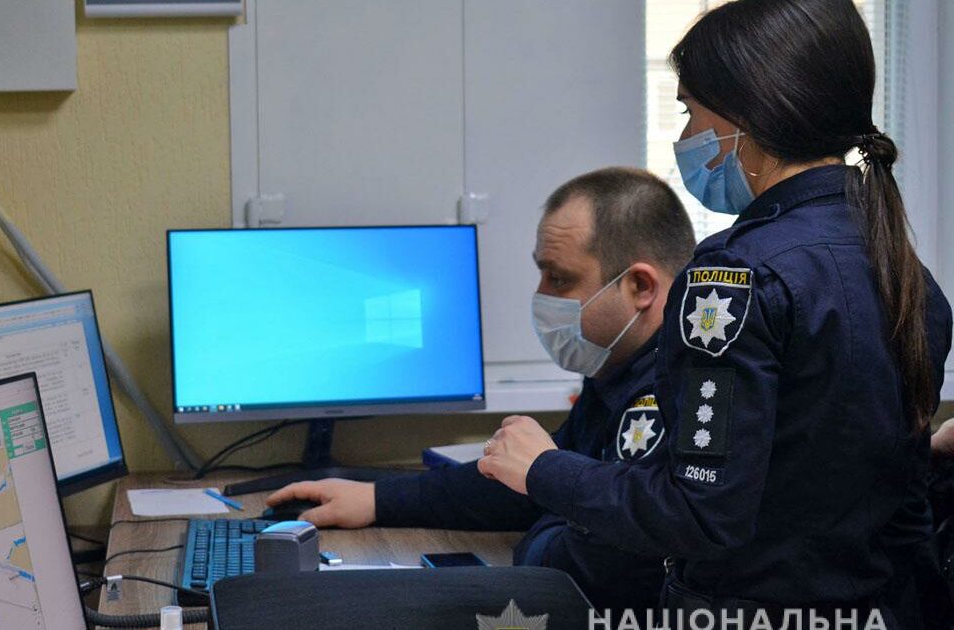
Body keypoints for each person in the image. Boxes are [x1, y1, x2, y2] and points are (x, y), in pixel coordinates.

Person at [475, 0, 953, 625]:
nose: (683, 140)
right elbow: (898, 505)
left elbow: (697, 512)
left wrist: (543, 470)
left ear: (743, 118)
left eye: (689, 113)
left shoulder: (733, 277)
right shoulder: (906, 273)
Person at [267, 167, 697, 611]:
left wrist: (548, 509)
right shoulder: (617, 369)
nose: (541, 295)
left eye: (559, 278)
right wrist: (377, 499)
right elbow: (526, 488)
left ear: (640, 286)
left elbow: (586, 567)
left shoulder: (674, 391)